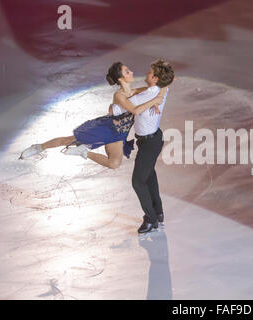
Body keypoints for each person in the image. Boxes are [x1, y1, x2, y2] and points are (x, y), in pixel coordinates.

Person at [19, 62, 167, 169]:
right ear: (121, 78)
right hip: (107, 129)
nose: (132, 72)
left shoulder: (135, 91)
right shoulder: (119, 95)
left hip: (119, 135)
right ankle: (39, 147)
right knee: (69, 140)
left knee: (114, 164)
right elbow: (135, 109)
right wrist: (154, 101)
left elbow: (153, 90)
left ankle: (84, 153)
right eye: (127, 71)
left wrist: (154, 100)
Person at [112, 59, 174, 234]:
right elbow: (167, 84)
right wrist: (157, 96)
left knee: (138, 182)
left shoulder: (148, 95)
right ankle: (159, 212)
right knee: (149, 175)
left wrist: (119, 99)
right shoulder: (160, 89)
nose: (146, 73)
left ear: (154, 78)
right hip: (152, 139)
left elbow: (115, 110)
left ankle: (151, 219)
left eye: (149, 72)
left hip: (149, 143)